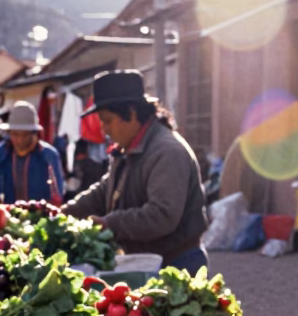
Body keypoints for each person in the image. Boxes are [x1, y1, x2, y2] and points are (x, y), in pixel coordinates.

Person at [63, 71, 208, 271]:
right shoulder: (128, 147)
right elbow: (107, 188)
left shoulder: (166, 152)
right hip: (147, 260)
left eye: (107, 120)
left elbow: (161, 215)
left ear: (131, 113)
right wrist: (65, 212)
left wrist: (109, 223)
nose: (104, 130)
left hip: (177, 263)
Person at [0, 101, 65, 203]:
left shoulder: (49, 155)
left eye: (25, 135)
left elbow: (57, 195)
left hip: (41, 216)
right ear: (9, 133)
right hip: (9, 215)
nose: (20, 140)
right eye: (15, 134)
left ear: (34, 133)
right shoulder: (0, 153)